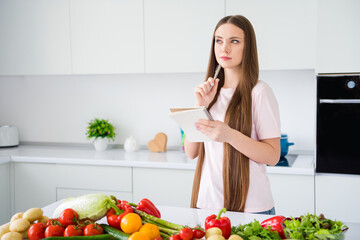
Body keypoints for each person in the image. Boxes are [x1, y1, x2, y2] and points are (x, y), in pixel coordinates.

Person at [184, 15, 281, 215]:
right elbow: (191, 152)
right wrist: (199, 106)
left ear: (248, 47)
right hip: (207, 206)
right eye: (218, 41)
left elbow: (272, 156)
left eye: (234, 41)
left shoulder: (259, 92)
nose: (224, 49)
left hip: (251, 208)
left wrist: (229, 135)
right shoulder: (208, 93)